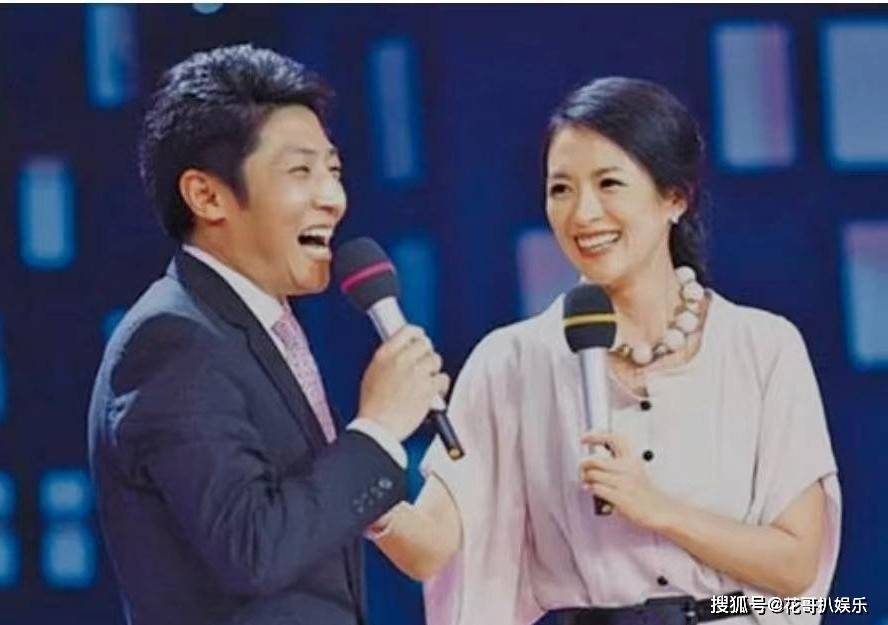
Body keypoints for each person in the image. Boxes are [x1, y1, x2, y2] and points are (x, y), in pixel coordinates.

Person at [367, 77, 841, 625]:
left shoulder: (763, 347)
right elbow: (431, 547)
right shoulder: (511, 364)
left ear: (675, 197)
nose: (582, 214)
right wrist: (360, 471)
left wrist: (658, 510)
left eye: (609, 183)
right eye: (561, 189)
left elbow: (795, 565)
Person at [87, 44, 449, 625]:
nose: (333, 199)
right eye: (300, 172)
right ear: (207, 196)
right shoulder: (171, 340)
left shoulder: (257, 330)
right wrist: (379, 429)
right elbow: (253, 549)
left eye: (333, 170)